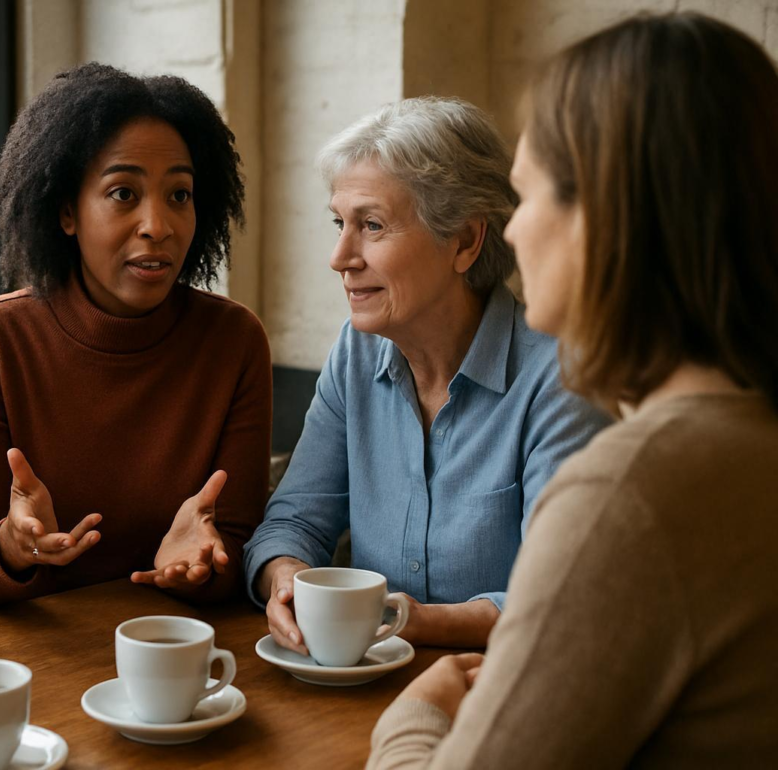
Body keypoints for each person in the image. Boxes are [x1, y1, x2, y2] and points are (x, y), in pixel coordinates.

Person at [368, 12, 778, 768]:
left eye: (529, 198)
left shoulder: (633, 491)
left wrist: (416, 715)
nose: (515, 233)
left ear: (610, 217)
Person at [244, 97, 609, 650]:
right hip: (358, 683)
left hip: (495, 695)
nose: (340, 256)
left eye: (371, 225)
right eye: (339, 223)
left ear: (464, 240)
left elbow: (560, 598)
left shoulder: (558, 381)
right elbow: (294, 520)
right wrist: (287, 578)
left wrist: (412, 622)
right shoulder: (357, 353)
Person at [0, 63, 271, 607]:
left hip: (173, 652)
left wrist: (205, 564)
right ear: (67, 212)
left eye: (179, 195)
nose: (157, 225)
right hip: (34, 661)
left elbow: (240, 549)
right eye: (122, 193)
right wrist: (11, 545)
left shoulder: (234, 341)